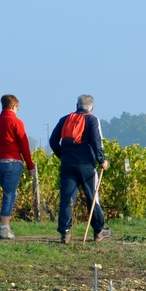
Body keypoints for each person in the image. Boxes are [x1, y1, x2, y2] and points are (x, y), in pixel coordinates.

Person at [49, 95, 109, 243]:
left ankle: (65, 232)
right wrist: (101, 159)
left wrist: (62, 155)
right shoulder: (92, 120)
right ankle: (98, 232)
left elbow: (52, 140)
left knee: (67, 198)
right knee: (93, 198)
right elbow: (96, 141)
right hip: (87, 166)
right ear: (92, 107)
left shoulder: (64, 119)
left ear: (77, 105)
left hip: (68, 164)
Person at [0, 94, 36, 239]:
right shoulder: (16, 122)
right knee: (9, 193)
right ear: (14, 107)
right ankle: (4, 227)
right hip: (12, 162)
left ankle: (6, 225)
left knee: (11, 192)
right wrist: (30, 165)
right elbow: (24, 145)